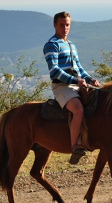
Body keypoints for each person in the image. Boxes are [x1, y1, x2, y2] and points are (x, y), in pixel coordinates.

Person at [43, 11, 99, 164]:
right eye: (61, 25)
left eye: (67, 25)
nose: (65, 28)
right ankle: (75, 146)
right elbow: (54, 70)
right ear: (55, 25)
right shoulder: (51, 45)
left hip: (75, 84)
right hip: (62, 86)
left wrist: (90, 79)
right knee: (78, 109)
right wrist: (75, 80)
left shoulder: (71, 45)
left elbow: (79, 67)